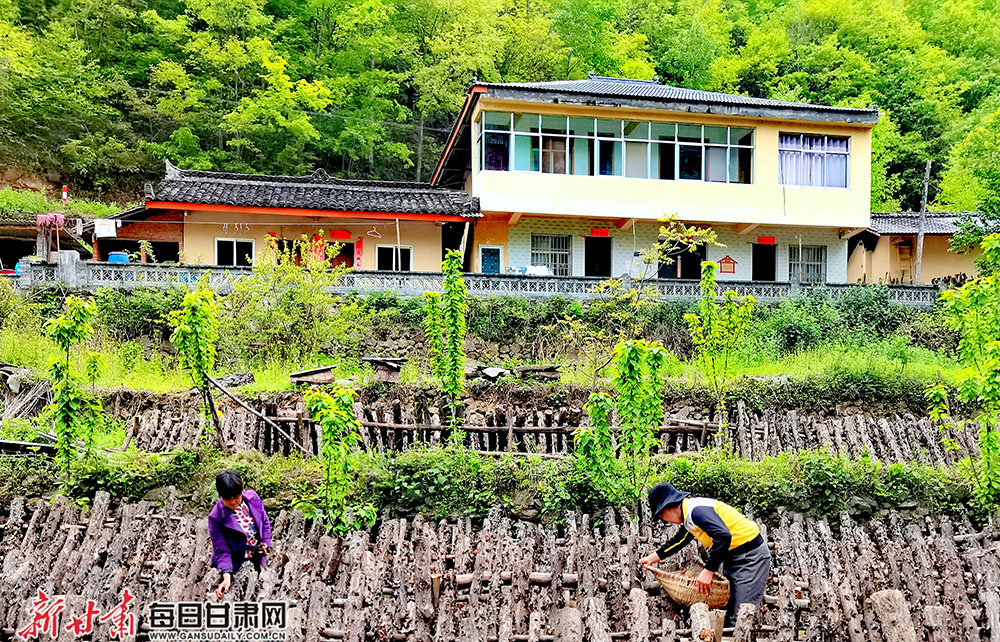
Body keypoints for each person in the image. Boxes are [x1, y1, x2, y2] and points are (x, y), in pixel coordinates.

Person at [640, 482, 770, 626]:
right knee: (727, 613)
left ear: (667, 509)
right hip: (733, 558)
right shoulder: (688, 516)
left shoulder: (697, 511)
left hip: (751, 558)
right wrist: (652, 558)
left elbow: (723, 536)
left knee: (741, 615)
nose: (665, 520)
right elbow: (679, 540)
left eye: (661, 516)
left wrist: (708, 571)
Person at [208, 470, 273, 600]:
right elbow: (221, 549)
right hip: (235, 562)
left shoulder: (252, 499)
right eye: (228, 498)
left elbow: (264, 521)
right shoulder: (216, 517)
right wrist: (227, 575)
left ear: (241, 491)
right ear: (220, 496)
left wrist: (265, 543)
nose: (233, 502)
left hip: (255, 556)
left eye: (236, 497)